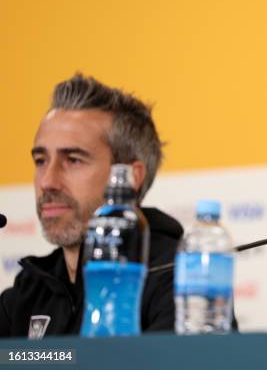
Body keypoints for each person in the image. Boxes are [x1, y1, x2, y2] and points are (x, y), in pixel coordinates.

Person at [0, 74, 183, 338]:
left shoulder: (180, 279)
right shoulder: (30, 289)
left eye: (73, 160)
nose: (48, 181)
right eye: (40, 161)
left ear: (130, 178)